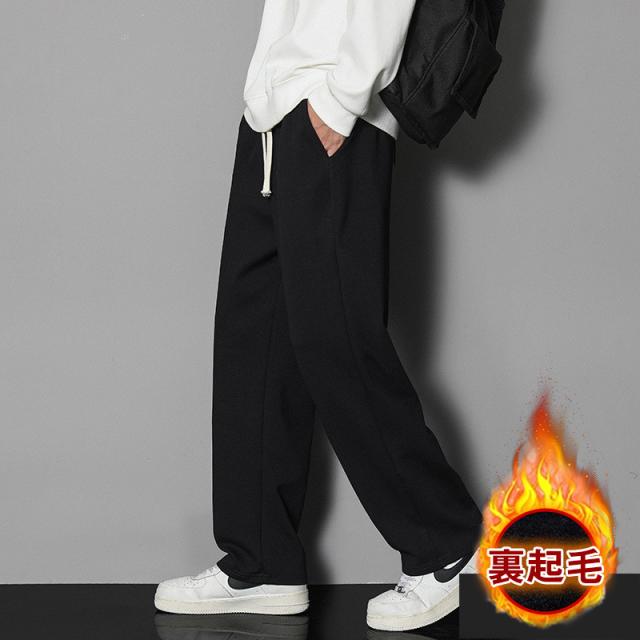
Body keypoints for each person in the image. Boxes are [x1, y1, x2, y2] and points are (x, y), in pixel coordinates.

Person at [155, 0, 484, 631]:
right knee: (253, 339)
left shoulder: (338, 105)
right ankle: (260, 563)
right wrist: (263, 94)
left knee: (335, 338)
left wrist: (343, 96)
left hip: (335, 109)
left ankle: (442, 540)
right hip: (271, 114)